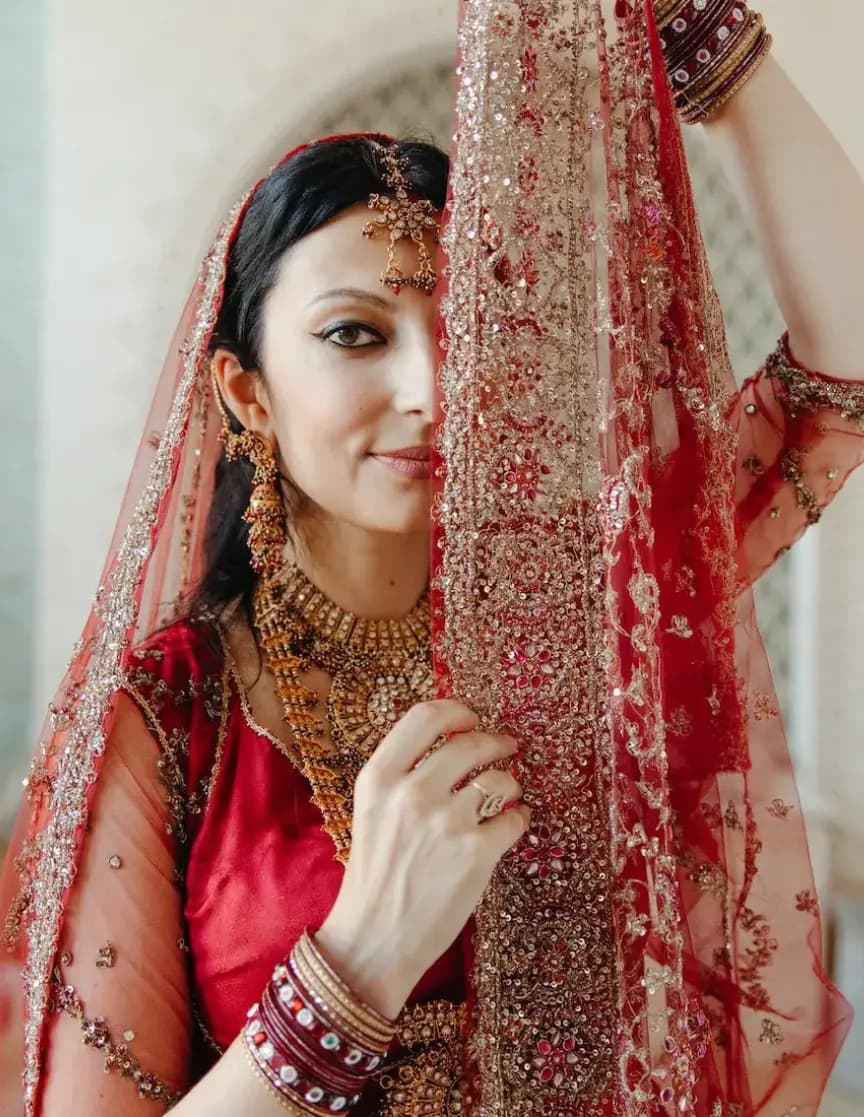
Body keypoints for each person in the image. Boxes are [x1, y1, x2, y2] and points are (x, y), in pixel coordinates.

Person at [2, 2, 863, 1115]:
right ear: (245, 392)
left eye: (466, 330)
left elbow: (839, 383)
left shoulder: (589, 603)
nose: (431, 392)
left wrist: (704, 41)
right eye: (357, 333)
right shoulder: (167, 721)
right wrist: (359, 959)